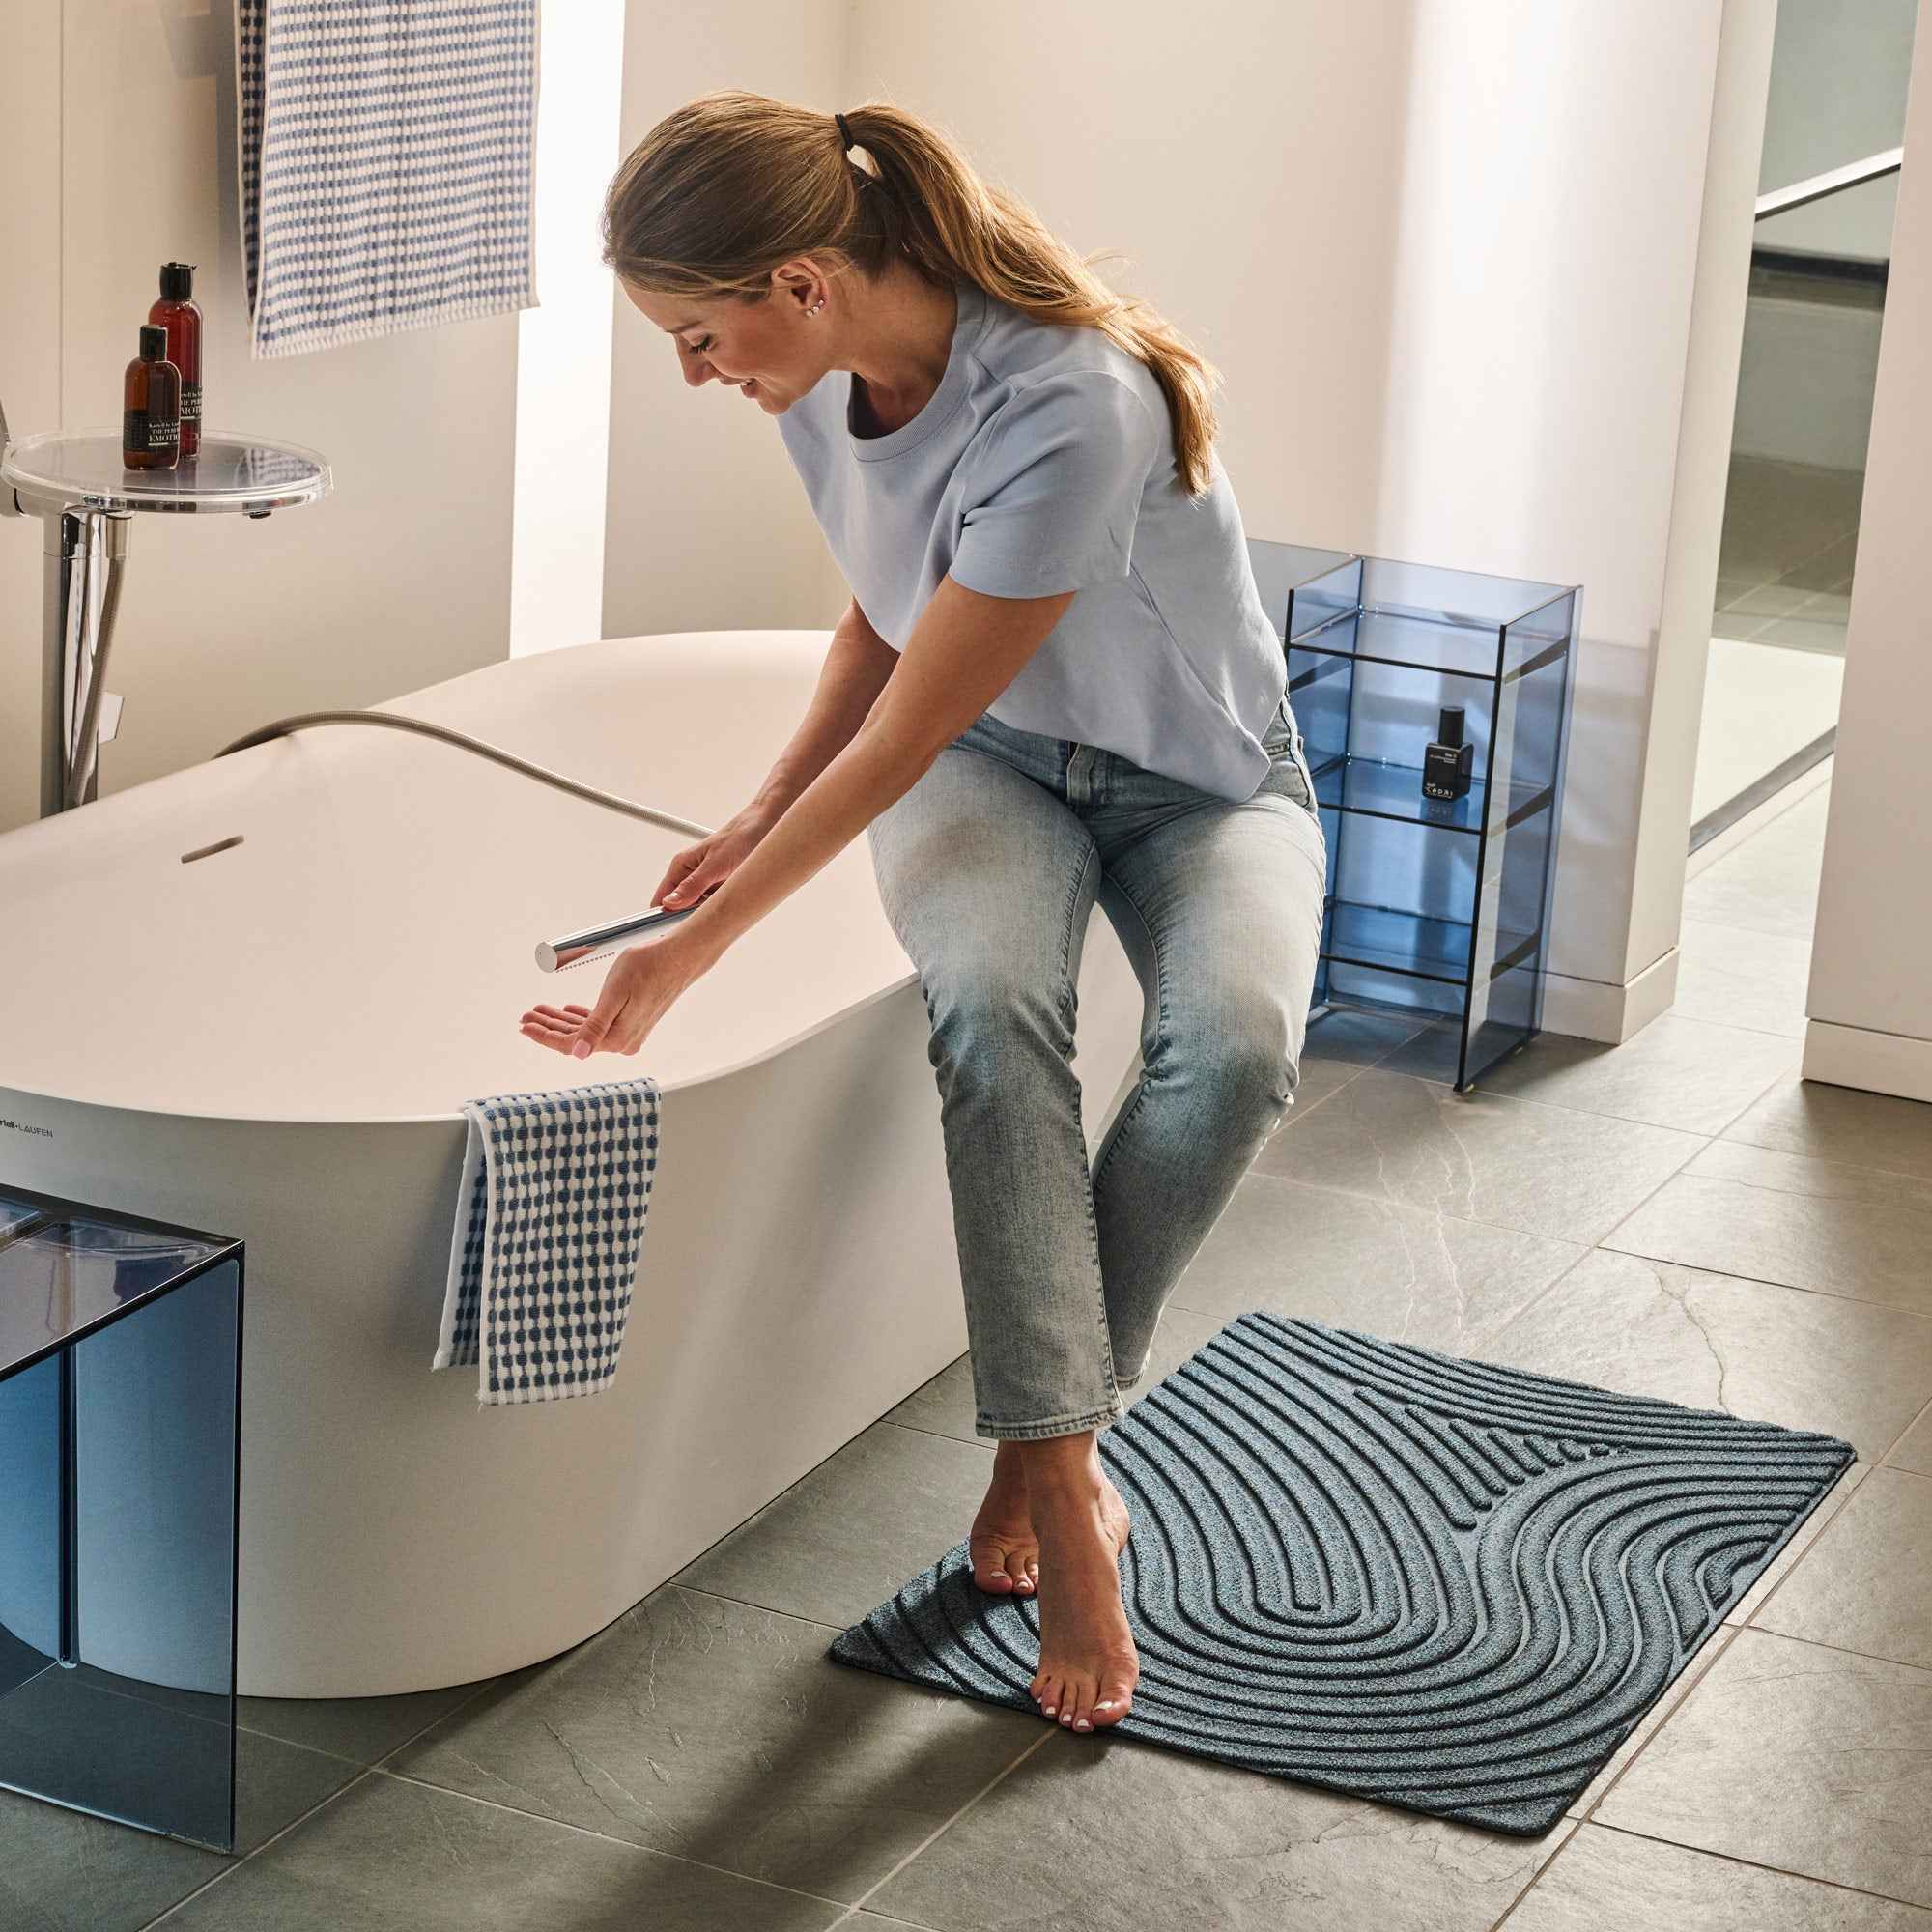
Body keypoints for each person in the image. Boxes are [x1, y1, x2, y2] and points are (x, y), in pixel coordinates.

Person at [519, 90, 1327, 1740]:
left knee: (1235, 1053)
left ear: (806, 281)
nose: (697, 373)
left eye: (698, 333)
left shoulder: (1074, 403)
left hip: (1205, 781)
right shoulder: (814, 375)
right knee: (994, 1021)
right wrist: (747, 809)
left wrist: (698, 943)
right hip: (997, 775)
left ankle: (1049, 1459)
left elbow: (910, 729)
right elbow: (888, 625)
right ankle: (1076, 1508)